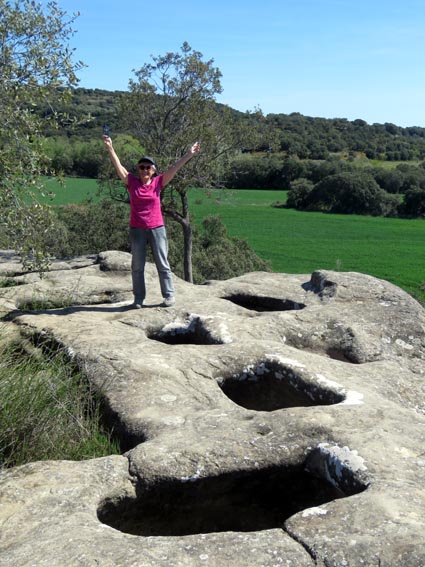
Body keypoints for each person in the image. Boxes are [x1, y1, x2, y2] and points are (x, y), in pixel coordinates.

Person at [103, 135, 200, 308]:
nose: (145, 170)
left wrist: (189, 154)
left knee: (162, 263)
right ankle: (139, 299)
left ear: (153, 170)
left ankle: (169, 295)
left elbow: (174, 168)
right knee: (137, 266)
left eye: (148, 167)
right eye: (142, 167)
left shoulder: (158, 183)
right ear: (138, 169)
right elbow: (119, 167)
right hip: (137, 229)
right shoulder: (132, 182)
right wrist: (110, 148)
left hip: (157, 228)